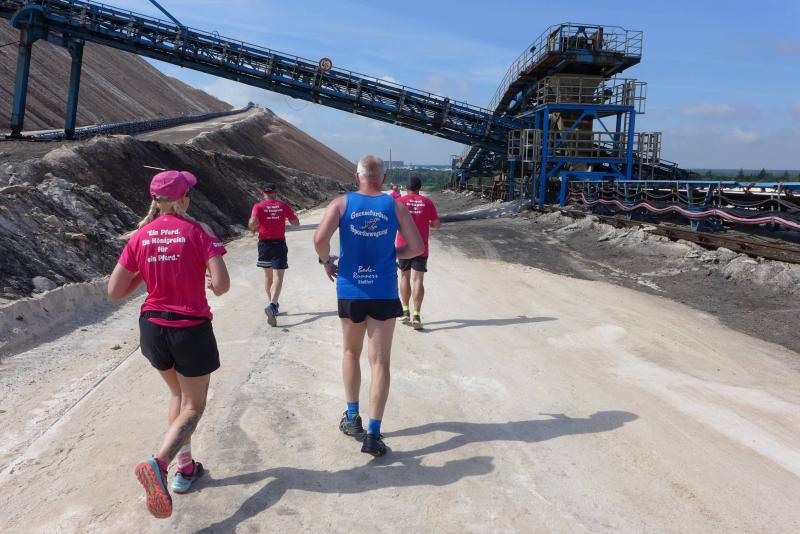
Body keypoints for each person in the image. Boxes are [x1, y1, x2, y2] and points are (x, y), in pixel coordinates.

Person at [108, 170, 230, 519]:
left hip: (152, 329)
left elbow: (114, 291)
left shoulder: (141, 236)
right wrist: (209, 276)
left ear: (156, 200)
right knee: (193, 406)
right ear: (184, 199)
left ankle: (185, 469)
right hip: (189, 329)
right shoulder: (199, 231)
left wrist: (146, 272)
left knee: (177, 395)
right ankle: (159, 464)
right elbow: (222, 285)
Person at [313, 155, 423, 456]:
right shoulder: (395, 205)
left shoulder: (341, 204)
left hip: (351, 290)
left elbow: (320, 239)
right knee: (380, 362)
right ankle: (373, 434)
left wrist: (326, 261)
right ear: (383, 179)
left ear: (356, 176)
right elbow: (416, 247)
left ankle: (352, 417)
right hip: (383, 291)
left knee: (351, 352)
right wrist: (393, 253)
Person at [248, 183, 300, 326]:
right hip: (279, 244)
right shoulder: (283, 206)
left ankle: (273, 305)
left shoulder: (258, 206)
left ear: (263, 193)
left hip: (264, 244)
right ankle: (272, 305)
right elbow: (296, 223)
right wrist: (290, 219)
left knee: (268, 276)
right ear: (275, 193)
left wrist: (253, 229)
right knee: (278, 276)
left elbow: (253, 222)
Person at [396, 176, 440, 329]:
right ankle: (416, 315)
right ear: (419, 188)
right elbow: (436, 224)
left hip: (403, 246)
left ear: (406, 188)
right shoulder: (427, 202)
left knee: (404, 276)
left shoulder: (400, 202)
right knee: (418, 280)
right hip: (421, 247)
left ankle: (405, 311)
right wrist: (425, 223)